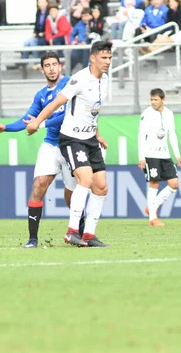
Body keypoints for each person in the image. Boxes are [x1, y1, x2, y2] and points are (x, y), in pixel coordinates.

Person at [0, 51, 84, 248]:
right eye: (47, 65)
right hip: (51, 145)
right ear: (42, 69)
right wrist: (6, 127)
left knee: (71, 197)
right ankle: (32, 239)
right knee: (38, 186)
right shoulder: (41, 95)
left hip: (70, 144)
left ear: (60, 67)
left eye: (54, 64)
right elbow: (28, 119)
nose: (51, 68)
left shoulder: (70, 84)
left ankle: (80, 232)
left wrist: (40, 125)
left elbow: (68, 115)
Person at [26, 41, 113, 248]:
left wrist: (97, 134)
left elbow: (93, 110)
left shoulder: (106, 80)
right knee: (85, 179)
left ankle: (89, 234)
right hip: (72, 139)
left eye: (109, 58)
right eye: (103, 58)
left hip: (90, 139)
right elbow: (57, 103)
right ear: (92, 58)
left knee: (101, 187)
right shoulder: (79, 79)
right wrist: (37, 122)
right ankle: (72, 231)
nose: (107, 62)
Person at [138, 88, 181, 226]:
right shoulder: (146, 114)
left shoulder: (169, 114)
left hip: (165, 154)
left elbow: (172, 135)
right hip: (151, 154)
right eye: (151, 99)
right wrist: (141, 156)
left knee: (174, 184)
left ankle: (152, 206)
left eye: (155, 100)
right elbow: (141, 135)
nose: (153, 102)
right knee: (154, 183)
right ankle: (153, 218)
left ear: (163, 100)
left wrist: (177, 155)